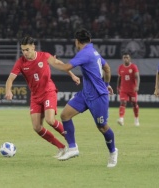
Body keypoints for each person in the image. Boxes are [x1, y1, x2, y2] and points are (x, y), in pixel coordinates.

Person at [48, 28, 118, 168]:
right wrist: (107, 84)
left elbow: (66, 67)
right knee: (65, 115)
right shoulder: (94, 52)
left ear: (77, 42)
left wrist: (50, 61)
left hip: (98, 96)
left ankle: (113, 152)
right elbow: (108, 69)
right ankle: (73, 148)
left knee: (102, 127)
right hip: (86, 94)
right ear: (90, 40)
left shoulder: (84, 53)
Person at [5, 36, 80, 158]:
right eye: (23, 50)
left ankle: (72, 144)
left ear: (33, 47)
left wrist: (72, 75)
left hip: (48, 92)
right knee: (37, 127)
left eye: (27, 49)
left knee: (50, 120)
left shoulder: (44, 56)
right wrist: (8, 90)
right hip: (35, 96)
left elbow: (59, 64)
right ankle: (61, 147)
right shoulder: (20, 62)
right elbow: (10, 79)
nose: (25, 52)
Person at [116, 52, 140, 126]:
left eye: (127, 57)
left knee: (134, 104)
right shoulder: (120, 67)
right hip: (124, 89)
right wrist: (118, 87)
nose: (126, 59)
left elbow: (137, 77)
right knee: (123, 102)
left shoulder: (133, 67)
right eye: (124, 57)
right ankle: (121, 119)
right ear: (122, 59)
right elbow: (119, 78)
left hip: (132, 89)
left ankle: (136, 119)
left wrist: (137, 86)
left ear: (130, 58)